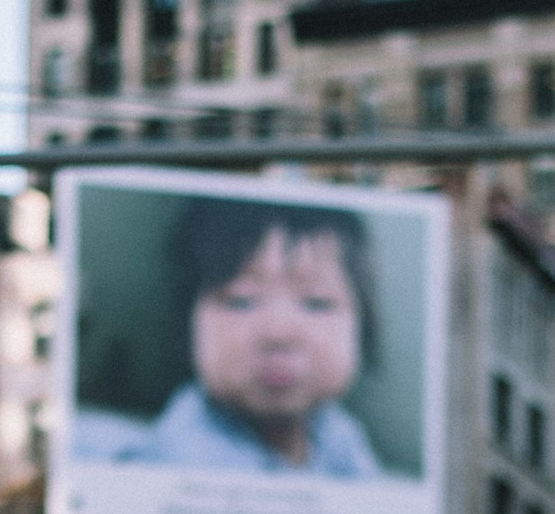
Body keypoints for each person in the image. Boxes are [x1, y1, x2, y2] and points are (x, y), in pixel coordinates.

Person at [83, 199, 388, 477]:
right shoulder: (187, 454)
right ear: (188, 322)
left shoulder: (337, 433)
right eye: (241, 300)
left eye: (316, 302)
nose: (278, 332)